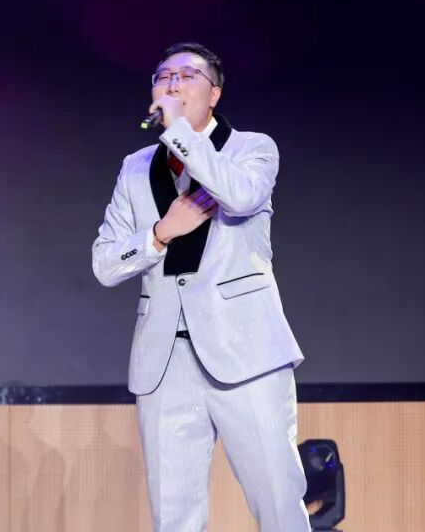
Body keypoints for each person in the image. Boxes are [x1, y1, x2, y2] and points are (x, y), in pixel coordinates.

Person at [92, 43, 309, 531]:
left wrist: (180, 134)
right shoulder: (135, 166)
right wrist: (159, 234)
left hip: (246, 350)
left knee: (277, 498)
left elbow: (240, 196)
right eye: (162, 76)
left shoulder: (252, 148)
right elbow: (104, 263)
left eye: (187, 75)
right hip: (164, 359)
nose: (171, 83)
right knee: (174, 514)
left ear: (214, 93)